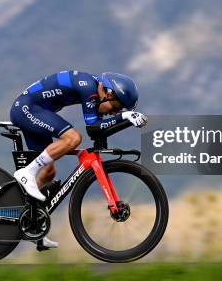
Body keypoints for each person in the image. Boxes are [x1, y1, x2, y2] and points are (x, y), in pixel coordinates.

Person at [10, 70, 148, 249]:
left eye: (118, 111)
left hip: (36, 110)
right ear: (108, 93)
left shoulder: (94, 90)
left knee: (48, 172)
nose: (114, 113)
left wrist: (125, 118)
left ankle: (32, 222)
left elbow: (99, 129)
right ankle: (27, 172)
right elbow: (92, 129)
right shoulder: (88, 87)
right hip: (27, 109)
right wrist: (125, 117)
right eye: (116, 107)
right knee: (73, 138)